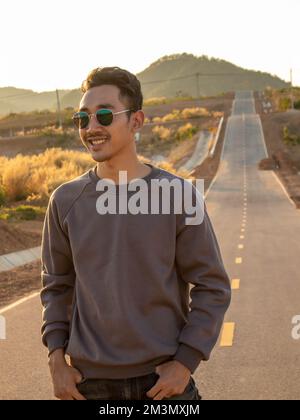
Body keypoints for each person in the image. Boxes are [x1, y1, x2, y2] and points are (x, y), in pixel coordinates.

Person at [40, 66, 231, 400]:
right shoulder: (65, 201)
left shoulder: (178, 196)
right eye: (82, 119)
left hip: (164, 385)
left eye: (103, 116)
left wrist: (186, 362)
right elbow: (56, 287)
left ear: (137, 121)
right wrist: (56, 359)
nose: (91, 128)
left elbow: (212, 285)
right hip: (89, 385)